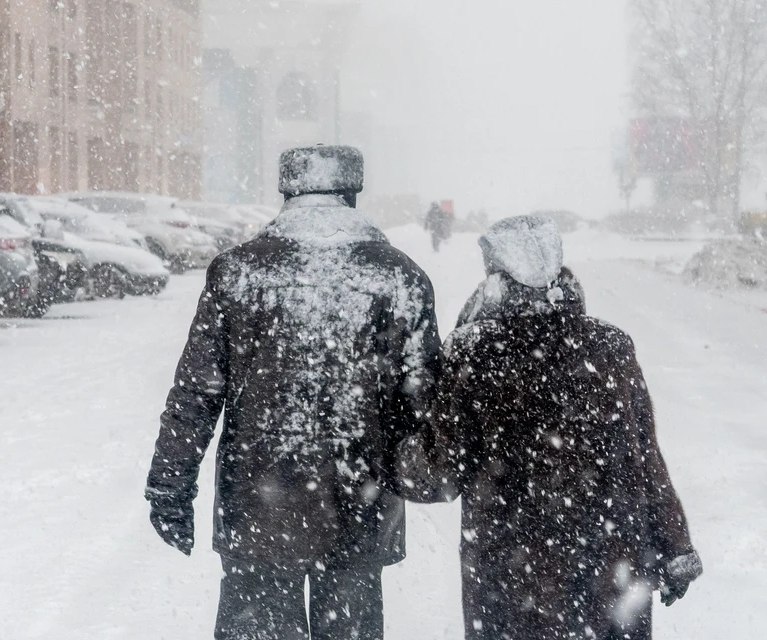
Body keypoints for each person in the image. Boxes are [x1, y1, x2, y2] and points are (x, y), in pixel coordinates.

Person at [145, 145, 442, 640]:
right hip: (359, 502)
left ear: (286, 191)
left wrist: (170, 486)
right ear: (353, 191)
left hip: (259, 505)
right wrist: (425, 473)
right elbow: (422, 400)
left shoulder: (239, 272)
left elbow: (197, 393)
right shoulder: (398, 276)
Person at [400, 215, 702, 640]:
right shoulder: (610, 347)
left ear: (496, 278)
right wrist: (676, 546)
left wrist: (394, 451)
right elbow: (644, 457)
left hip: (510, 574)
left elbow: (441, 475)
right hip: (610, 571)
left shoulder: (472, 353)